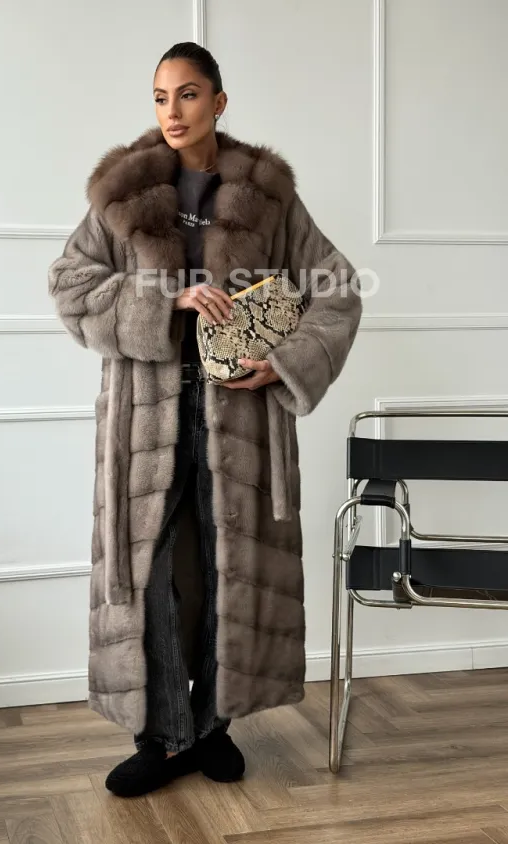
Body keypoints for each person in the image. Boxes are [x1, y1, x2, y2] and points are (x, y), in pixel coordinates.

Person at [48, 41, 362, 799]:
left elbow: (337, 288)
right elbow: (70, 284)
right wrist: (164, 299)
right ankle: (163, 737)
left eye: (188, 94)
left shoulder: (265, 194)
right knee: (148, 568)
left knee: (231, 562)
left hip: (240, 410)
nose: (173, 111)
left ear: (218, 101)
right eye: (160, 97)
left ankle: (213, 726)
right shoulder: (123, 191)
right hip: (144, 412)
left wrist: (284, 361)